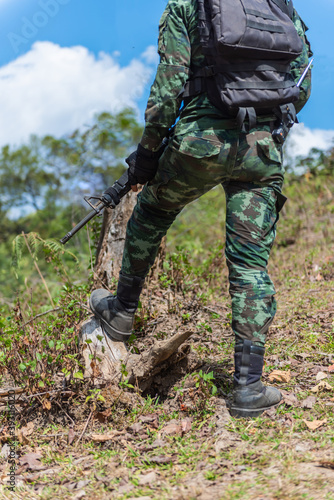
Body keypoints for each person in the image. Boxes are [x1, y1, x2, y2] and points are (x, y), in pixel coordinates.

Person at [90, 0, 312, 417]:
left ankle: (121, 312)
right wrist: (270, 126)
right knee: (250, 266)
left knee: (152, 213)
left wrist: (147, 154)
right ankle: (248, 388)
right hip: (260, 150)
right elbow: (303, 78)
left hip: (201, 143)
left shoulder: (185, 5)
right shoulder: (279, 7)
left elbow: (166, 91)